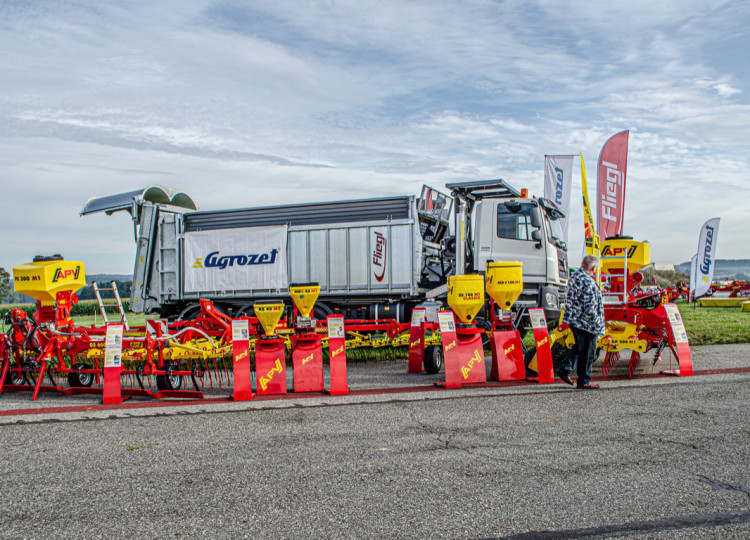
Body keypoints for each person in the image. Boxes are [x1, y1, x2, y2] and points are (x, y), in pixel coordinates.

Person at [556, 255, 605, 389]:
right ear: (593, 268)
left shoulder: (574, 277)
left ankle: (565, 368)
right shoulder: (588, 281)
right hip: (586, 323)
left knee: (579, 347)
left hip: (573, 319)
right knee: (588, 352)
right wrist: (596, 322)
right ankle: (584, 380)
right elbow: (590, 306)